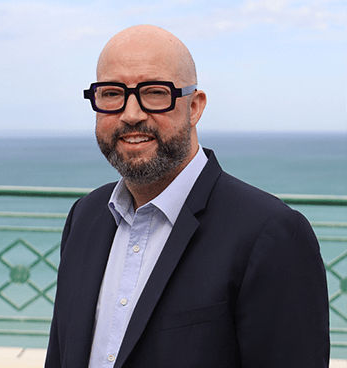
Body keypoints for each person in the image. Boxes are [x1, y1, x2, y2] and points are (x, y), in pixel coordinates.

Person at [45, 25, 329, 368]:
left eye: (155, 92)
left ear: (194, 107)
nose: (131, 114)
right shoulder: (85, 216)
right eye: (111, 93)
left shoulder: (271, 233)